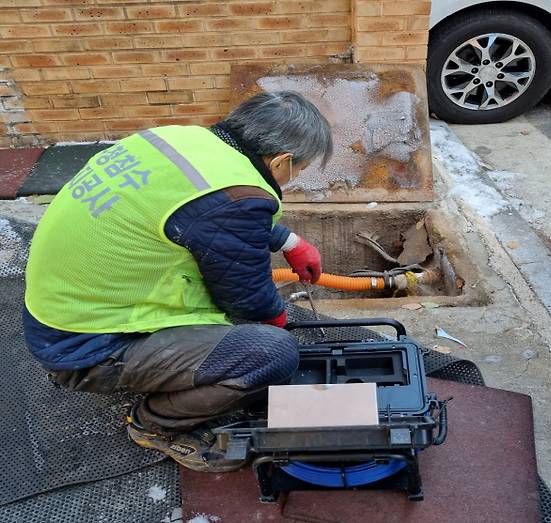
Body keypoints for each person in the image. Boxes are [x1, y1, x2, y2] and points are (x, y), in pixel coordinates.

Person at [23, 91, 333, 472]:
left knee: (247, 331)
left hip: (59, 312)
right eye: (298, 171)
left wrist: (290, 241)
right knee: (273, 354)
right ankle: (154, 424)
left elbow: (206, 214)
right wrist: (276, 323)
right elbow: (247, 297)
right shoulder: (234, 195)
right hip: (85, 346)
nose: (294, 178)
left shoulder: (182, 141)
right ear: (281, 162)